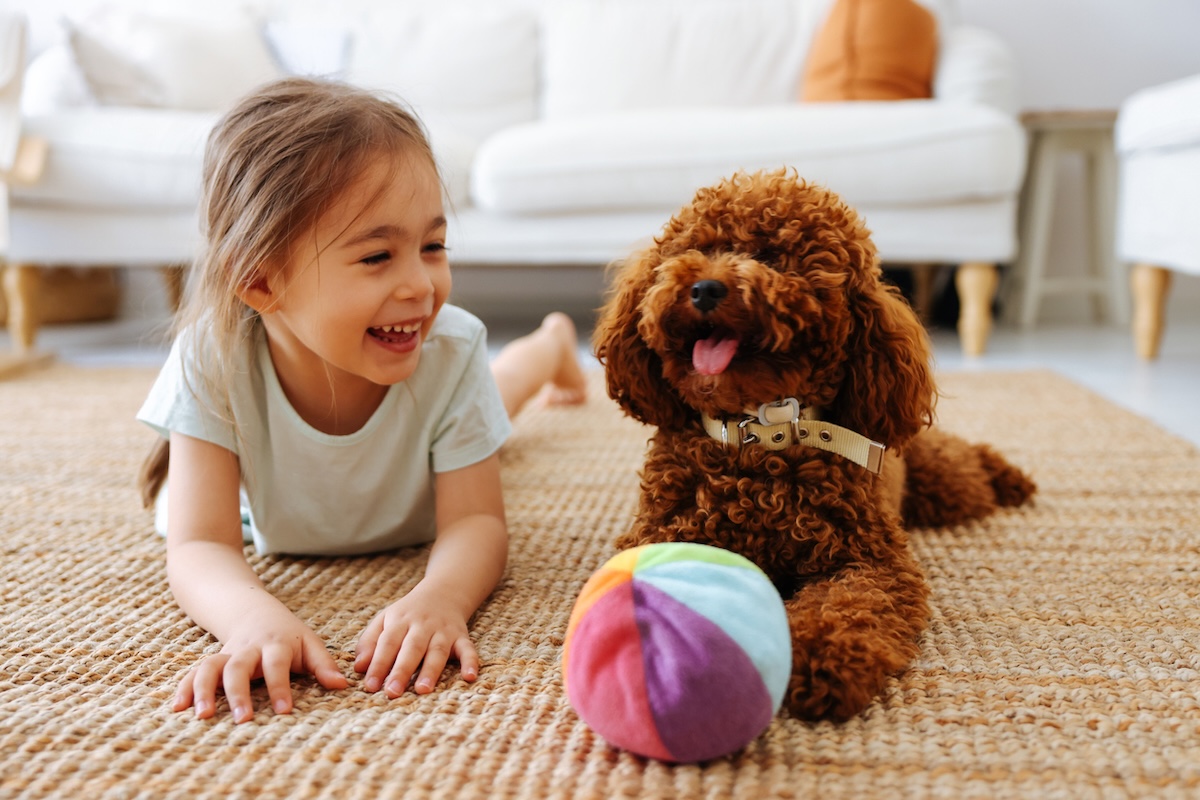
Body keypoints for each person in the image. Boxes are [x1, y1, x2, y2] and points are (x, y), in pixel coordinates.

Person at [136, 77, 586, 724]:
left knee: (501, 395)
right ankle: (547, 347)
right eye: (378, 255)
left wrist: (443, 598)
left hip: (443, 411)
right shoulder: (213, 358)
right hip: (277, 505)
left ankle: (549, 344)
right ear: (261, 281)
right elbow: (198, 545)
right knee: (494, 399)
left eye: (432, 247)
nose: (422, 286)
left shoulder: (450, 349)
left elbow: (476, 523)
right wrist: (253, 619)